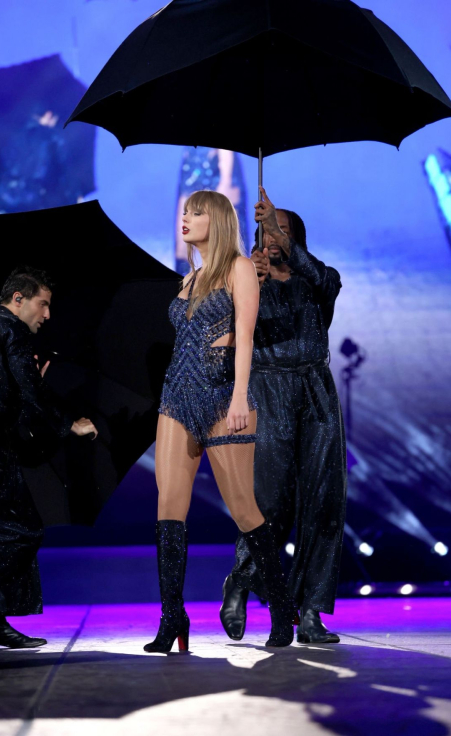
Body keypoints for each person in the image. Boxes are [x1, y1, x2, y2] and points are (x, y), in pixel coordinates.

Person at [144, 190, 294, 654]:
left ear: (219, 219)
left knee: (244, 508)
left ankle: (281, 604)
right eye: (183, 212)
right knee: (168, 505)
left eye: (195, 212)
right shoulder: (187, 279)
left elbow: (245, 339)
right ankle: (173, 616)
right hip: (176, 396)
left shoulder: (239, 269)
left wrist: (236, 398)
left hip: (222, 395)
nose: (185, 218)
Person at [220, 187, 347, 644]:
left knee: (324, 502)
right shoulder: (246, 280)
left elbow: (325, 281)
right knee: (270, 501)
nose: (274, 238)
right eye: (269, 230)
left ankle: (310, 611)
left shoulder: (318, 281)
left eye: (284, 231)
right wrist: (246, 285)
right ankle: (241, 578)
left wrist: (281, 235)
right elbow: (227, 338)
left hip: (314, 389)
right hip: (268, 389)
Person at [0, 266, 97, 650]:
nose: (48, 315)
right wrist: (70, 423)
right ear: (18, 300)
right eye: (43, 304)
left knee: (1, 535)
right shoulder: (13, 329)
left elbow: (2, 389)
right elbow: (30, 390)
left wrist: (20, 387)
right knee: (22, 532)